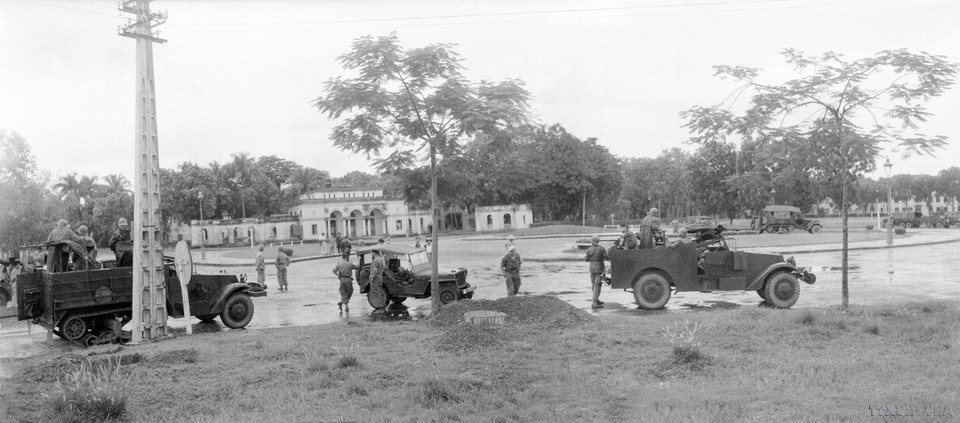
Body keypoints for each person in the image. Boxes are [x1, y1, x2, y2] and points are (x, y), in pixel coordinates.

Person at [584, 235, 609, 309]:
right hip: (599, 267)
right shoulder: (601, 249)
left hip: (592, 268)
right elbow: (606, 257)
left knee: (594, 284)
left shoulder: (589, 249)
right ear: (598, 241)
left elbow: (586, 259)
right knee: (597, 285)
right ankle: (594, 303)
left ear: (591, 242)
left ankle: (596, 300)